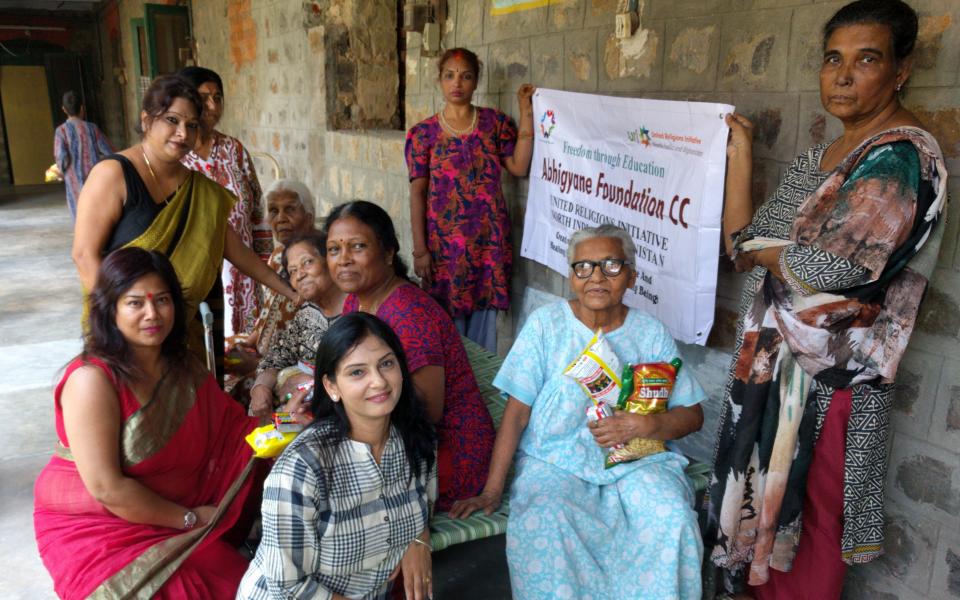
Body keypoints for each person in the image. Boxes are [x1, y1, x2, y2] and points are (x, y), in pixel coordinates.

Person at [704, 2, 948, 598]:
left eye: (866, 59)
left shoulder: (901, 156)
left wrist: (771, 251)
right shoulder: (825, 156)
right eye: (832, 59)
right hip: (775, 368)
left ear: (901, 71)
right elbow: (746, 242)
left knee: (812, 523)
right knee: (763, 508)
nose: (842, 75)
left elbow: (828, 267)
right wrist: (742, 152)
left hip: (833, 384)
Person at [450, 224, 707, 599]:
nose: (597, 277)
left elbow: (693, 414)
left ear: (631, 276)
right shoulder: (546, 326)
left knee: (673, 517)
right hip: (555, 460)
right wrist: (492, 491)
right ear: (571, 277)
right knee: (546, 521)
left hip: (635, 462)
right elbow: (517, 414)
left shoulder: (651, 333)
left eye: (611, 266)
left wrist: (647, 424)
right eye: (583, 267)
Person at [33, 247, 261, 599]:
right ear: (111, 310)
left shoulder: (182, 365)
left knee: (246, 585)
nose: (152, 314)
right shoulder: (91, 380)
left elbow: (231, 432)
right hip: (98, 527)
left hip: (165, 508)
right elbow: (107, 489)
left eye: (163, 300)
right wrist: (188, 519)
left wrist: (283, 424)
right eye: (135, 303)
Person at [71, 75, 296, 384]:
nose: (182, 133)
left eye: (192, 125)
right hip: (123, 331)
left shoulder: (200, 190)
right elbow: (85, 256)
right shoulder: (113, 174)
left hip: (181, 332)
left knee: (186, 419)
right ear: (147, 120)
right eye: (172, 120)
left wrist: (289, 291)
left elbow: (236, 251)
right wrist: (120, 324)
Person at [238, 312, 437, 600]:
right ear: (331, 386)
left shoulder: (417, 442)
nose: (379, 382)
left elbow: (424, 506)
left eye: (386, 364)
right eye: (357, 372)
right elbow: (288, 587)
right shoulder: (303, 468)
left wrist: (420, 539)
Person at [320, 200, 495, 511]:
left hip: (446, 452)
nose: (343, 260)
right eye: (334, 250)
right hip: (390, 433)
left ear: (388, 252)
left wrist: (348, 430)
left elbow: (427, 412)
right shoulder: (355, 303)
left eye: (357, 247)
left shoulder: (410, 314)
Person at [405, 47, 536, 352]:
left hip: (487, 245)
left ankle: (480, 392)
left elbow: (518, 166)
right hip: (443, 248)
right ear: (439, 80)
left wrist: (525, 111)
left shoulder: (495, 123)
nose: (457, 83)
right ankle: (452, 390)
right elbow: (417, 192)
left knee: (483, 328)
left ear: (476, 82)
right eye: (449, 76)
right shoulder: (423, 134)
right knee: (444, 325)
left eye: (466, 76)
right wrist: (420, 250)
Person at [179, 66, 272, 337]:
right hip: (197, 281)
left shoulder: (234, 150)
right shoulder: (177, 156)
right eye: (203, 97)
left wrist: (265, 268)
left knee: (246, 355)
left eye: (217, 97)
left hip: (245, 280)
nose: (212, 105)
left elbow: (258, 213)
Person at [225, 179, 317, 400]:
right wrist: (251, 339)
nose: (280, 219)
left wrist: (257, 364)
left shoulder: (316, 264)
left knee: (232, 382)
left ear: (309, 217)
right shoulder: (278, 256)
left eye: (290, 210)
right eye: (274, 211)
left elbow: (311, 347)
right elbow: (269, 310)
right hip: (261, 350)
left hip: (292, 366)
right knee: (220, 359)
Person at [251, 230, 346, 417]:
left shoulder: (358, 310)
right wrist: (260, 388)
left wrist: (310, 384)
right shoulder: (306, 313)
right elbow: (275, 357)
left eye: (308, 262)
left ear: (330, 261)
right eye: (292, 271)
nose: (300, 275)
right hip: (299, 409)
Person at [53, 90, 113, 220]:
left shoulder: (61, 131)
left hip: (74, 187)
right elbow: (109, 152)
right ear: (82, 108)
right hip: (94, 182)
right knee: (98, 218)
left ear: (64, 109)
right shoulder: (92, 128)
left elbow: (61, 159)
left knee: (79, 219)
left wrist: (60, 172)